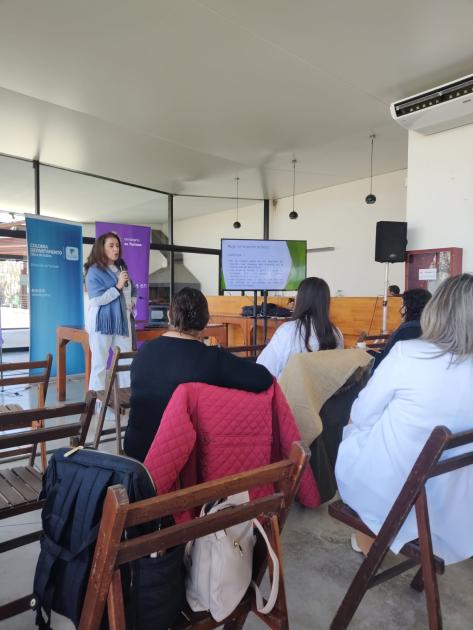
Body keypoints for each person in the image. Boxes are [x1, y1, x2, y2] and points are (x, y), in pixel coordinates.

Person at [335, 273, 473, 564]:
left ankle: (370, 538)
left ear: (437, 310)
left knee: (356, 427)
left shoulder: (408, 354)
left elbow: (361, 414)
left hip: (397, 496)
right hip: (457, 508)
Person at [124, 287, 273, 462]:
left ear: (169, 316)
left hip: (136, 451)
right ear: (205, 322)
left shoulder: (144, 351)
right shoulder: (211, 359)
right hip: (182, 458)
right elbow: (263, 378)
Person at [256, 277, 344, 378]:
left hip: (289, 392)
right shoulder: (337, 333)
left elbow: (264, 370)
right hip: (325, 393)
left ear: (301, 300)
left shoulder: (287, 331)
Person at [84, 232, 136, 391]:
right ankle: (97, 402)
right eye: (111, 246)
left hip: (122, 321)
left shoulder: (120, 267)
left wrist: (131, 301)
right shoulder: (93, 271)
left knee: (126, 360)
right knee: (100, 362)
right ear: (101, 248)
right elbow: (96, 300)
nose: (116, 249)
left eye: (117, 245)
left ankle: (126, 399)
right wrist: (117, 287)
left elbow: (131, 289)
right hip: (102, 322)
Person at [372, 288, 431, 369]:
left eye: (402, 304)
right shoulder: (430, 326)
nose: (400, 307)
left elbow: (388, 356)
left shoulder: (407, 330)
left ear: (410, 307)